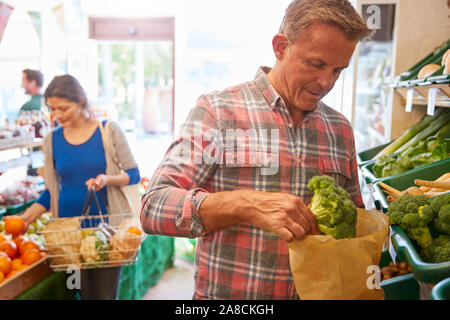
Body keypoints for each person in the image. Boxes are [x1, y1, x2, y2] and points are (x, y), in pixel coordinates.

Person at [141, 0, 373, 300]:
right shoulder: (218, 112)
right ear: (281, 47)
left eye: (338, 70)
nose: (326, 82)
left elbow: (354, 222)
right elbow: (152, 207)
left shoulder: (340, 129)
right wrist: (246, 204)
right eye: (316, 64)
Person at [21, 74, 141, 300]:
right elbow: (52, 190)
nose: (57, 115)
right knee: (78, 293)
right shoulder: (51, 140)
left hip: (106, 232)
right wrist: (27, 217)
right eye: (52, 109)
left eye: (63, 108)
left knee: (104, 296)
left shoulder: (108, 131)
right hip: (69, 236)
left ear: (80, 101)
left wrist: (107, 179)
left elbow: (134, 174)